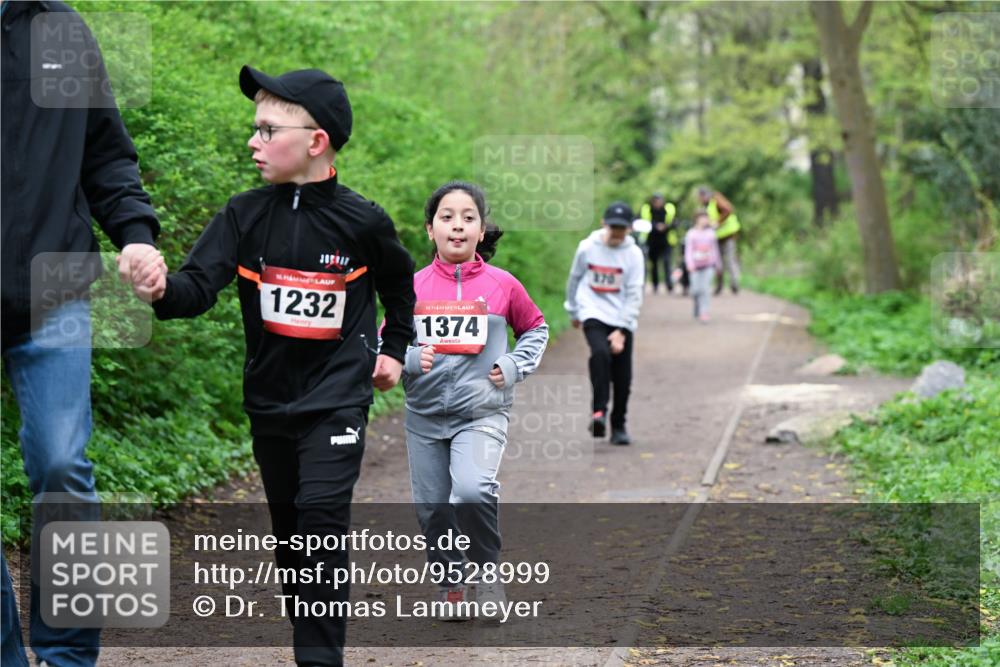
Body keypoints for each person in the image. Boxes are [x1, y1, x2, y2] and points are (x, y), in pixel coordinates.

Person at [133, 65, 415, 667]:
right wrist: (160, 290)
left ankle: (319, 660)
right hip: (269, 401)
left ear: (316, 141)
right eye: (254, 129)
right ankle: (310, 635)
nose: (252, 142)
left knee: (319, 519)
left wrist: (394, 351)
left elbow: (400, 288)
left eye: (267, 130)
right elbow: (197, 288)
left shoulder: (363, 220)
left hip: (338, 397)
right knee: (292, 539)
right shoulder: (243, 214)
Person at [1, 3, 163, 666]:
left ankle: (68, 657)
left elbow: (105, 153)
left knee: (62, 465)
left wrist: (135, 235)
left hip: (54, 289)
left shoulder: (61, 32)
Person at [401, 181, 548, 618]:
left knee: (470, 490)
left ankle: (486, 574)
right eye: (447, 217)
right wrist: (410, 357)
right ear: (431, 230)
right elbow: (382, 342)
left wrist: (516, 365)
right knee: (433, 511)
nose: (458, 226)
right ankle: (451, 587)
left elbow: (536, 329)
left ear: (482, 230)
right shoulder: (411, 288)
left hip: (482, 411)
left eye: (468, 217)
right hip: (423, 418)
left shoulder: (503, 285)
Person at [564, 202, 644, 446]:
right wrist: (573, 309)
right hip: (592, 311)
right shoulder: (588, 247)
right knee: (600, 354)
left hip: (622, 315)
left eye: (622, 228)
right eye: (613, 227)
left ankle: (619, 425)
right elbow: (575, 279)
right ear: (604, 223)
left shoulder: (633, 254)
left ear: (629, 229)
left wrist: (622, 330)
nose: (617, 233)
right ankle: (599, 412)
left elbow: (634, 293)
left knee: (623, 378)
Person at [697, 186, 741, 295]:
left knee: (729, 259)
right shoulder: (706, 205)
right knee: (717, 261)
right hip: (717, 236)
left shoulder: (716, 199)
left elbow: (728, 209)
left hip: (728, 234)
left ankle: (734, 283)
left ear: (704, 195)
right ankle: (719, 286)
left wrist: (718, 222)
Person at [685, 210, 722, 323]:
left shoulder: (711, 233)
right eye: (702, 218)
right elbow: (688, 250)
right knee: (695, 290)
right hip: (695, 266)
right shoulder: (691, 233)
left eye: (706, 218)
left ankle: (704, 312)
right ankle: (697, 307)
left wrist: (718, 264)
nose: (705, 220)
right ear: (697, 219)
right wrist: (689, 264)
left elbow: (715, 250)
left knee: (705, 289)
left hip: (708, 265)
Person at [639, 193, 678, 294]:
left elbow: (675, 223)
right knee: (654, 265)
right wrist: (655, 226)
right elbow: (641, 222)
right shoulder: (646, 209)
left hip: (666, 241)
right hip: (651, 241)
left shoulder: (669, 209)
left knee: (666, 262)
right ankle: (655, 285)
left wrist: (665, 226)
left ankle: (669, 285)